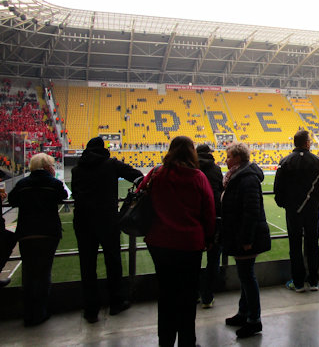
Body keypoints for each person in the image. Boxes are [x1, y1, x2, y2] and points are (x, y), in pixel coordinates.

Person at [143, 136, 215, 347]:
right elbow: (209, 212)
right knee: (187, 296)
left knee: (166, 295)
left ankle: (165, 342)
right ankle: (187, 342)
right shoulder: (198, 177)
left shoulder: (157, 173)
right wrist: (209, 238)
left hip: (160, 243)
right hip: (189, 245)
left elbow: (140, 194)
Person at [70, 136, 143, 323]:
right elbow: (138, 176)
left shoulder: (77, 169)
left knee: (87, 265)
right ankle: (116, 303)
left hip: (83, 221)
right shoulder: (111, 164)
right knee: (113, 261)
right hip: (107, 220)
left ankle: (90, 310)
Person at [7, 154, 66, 325]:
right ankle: (40, 312)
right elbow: (62, 195)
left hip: (26, 233)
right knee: (43, 273)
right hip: (48, 233)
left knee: (28, 273)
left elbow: (12, 200)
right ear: (49, 167)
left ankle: (28, 313)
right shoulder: (53, 183)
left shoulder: (23, 184)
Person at [221, 142, 271, 339]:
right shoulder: (237, 176)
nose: (226, 160)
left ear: (238, 158)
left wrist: (247, 238)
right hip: (240, 234)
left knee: (247, 277)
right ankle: (244, 313)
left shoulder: (247, 178)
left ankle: (254, 320)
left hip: (247, 237)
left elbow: (251, 211)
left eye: (229, 156)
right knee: (244, 276)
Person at [274, 130, 319, 292]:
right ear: (306, 143)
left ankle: (298, 283)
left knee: (295, 246)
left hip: (293, 211)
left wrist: (283, 204)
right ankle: (313, 281)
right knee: (313, 244)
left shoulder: (285, 162)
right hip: (312, 210)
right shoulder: (318, 162)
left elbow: (278, 188)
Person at [196, 143, 224, 308]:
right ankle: (207, 297)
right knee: (213, 260)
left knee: (193, 260)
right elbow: (220, 192)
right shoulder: (215, 169)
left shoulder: (191, 168)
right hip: (214, 218)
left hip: (194, 220)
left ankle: (193, 294)